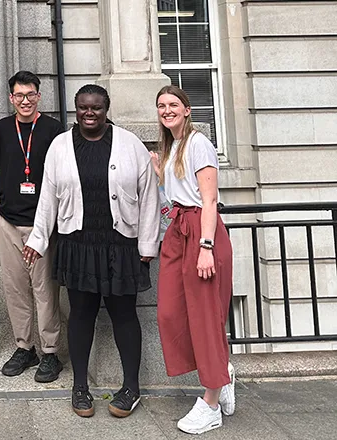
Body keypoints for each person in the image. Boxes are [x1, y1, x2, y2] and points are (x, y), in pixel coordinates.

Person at [23, 84, 158, 418]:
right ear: (76, 108)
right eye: (83, 107)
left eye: (96, 107)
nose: (89, 113)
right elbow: (48, 198)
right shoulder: (60, 146)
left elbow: (150, 196)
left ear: (106, 108)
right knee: (81, 314)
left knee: (124, 316)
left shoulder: (130, 145)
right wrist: (37, 241)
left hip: (121, 245)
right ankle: (80, 386)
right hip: (78, 244)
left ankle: (131, 388)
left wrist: (148, 244)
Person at [151, 85, 235, 435]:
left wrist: (205, 246)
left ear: (187, 109)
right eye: (161, 105)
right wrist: (160, 173)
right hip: (178, 232)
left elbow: (209, 199)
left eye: (173, 104)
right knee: (170, 312)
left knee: (204, 318)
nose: (166, 109)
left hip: (201, 233)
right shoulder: (171, 147)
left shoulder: (198, 143)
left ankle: (211, 403)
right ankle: (222, 372)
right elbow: (176, 195)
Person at [0, 71, 64, 382]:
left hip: (42, 222)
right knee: (15, 288)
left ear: (38, 96)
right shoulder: (2, 128)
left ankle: (50, 351)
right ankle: (24, 346)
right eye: (19, 95)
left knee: (45, 290)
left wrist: (51, 220)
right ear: (10, 98)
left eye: (30, 94)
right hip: (7, 221)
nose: (24, 100)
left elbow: (61, 174)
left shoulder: (54, 130)